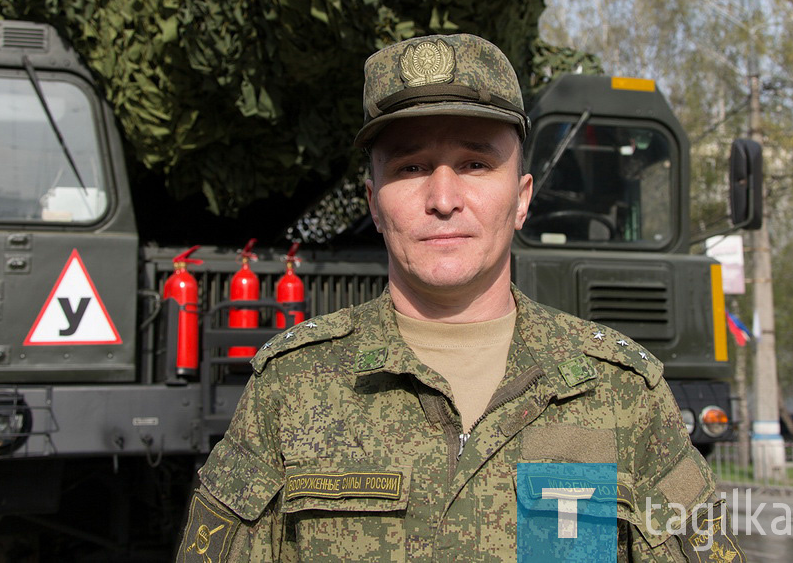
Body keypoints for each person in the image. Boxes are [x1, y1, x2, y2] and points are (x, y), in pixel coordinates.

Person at [178, 34, 745, 562]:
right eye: (412, 167)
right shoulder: (291, 387)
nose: (443, 198)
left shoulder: (621, 391)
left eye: (475, 164)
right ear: (374, 203)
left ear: (522, 199)